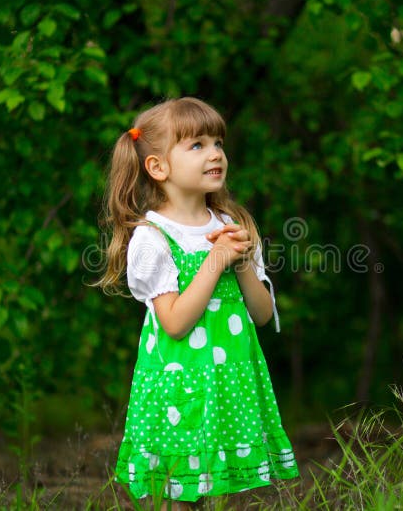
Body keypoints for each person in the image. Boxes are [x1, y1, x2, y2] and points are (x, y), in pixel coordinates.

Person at [99, 97, 299, 508]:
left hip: (230, 384)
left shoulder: (230, 225)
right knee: (183, 496)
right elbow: (173, 322)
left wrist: (240, 261)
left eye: (218, 144)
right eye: (197, 145)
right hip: (182, 388)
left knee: (230, 493)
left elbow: (261, 315)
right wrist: (216, 260)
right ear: (158, 167)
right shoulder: (153, 237)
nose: (215, 154)